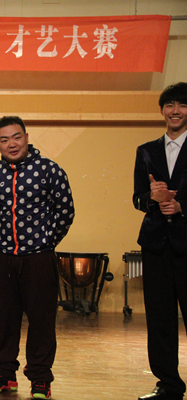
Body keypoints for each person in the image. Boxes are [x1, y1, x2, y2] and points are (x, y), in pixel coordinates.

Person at [0, 116, 74, 400]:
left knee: (41, 321)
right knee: (4, 320)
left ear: (26, 137)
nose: (12, 144)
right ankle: (4, 373)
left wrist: (46, 241)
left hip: (39, 258)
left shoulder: (49, 169)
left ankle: (40, 378)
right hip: (2, 257)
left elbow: (65, 211)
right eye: (5, 139)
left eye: (16, 137)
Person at [134, 82, 187, 400]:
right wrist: (150, 198)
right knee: (160, 318)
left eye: (182, 105)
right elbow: (137, 197)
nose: (175, 110)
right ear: (162, 111)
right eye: (169, 105)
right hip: (155, 244)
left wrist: (182, 206)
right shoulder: (146, 150)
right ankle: (168, 384)